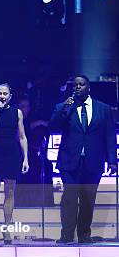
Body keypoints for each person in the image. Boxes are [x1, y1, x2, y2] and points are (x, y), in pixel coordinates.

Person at [49, 75, 117, 244]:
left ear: (88, 87)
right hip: (69, 161)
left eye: (81, 84)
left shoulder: (103, 108)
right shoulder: (64, 107)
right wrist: (65, 107)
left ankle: (84, 235)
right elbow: (53, 126)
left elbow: (109, 135)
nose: (78, 87)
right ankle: (66, 234)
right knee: (69, 197)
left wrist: (112, 160)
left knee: (88, 199)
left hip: (93, 161)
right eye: (75, 84)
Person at [0, 84, 29, 245]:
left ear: (10, 95)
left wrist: (25, 158)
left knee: (9, 192)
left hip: (11, 152)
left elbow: (22, 136)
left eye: (5, 93)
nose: (2, 96)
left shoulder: (17, 112)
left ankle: (6, 228)